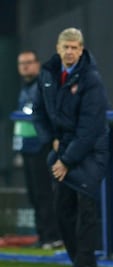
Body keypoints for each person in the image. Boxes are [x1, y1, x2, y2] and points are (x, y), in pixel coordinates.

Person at [33, 28, 110, 267]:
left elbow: (90, 128)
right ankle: (82, 261)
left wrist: (66, 161)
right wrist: (51, 140)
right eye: (66, 47)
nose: (70, 52)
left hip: (90, 151)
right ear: (58, 48)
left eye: (75, 47)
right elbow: (38, 112)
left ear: (81, 49)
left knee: (86, 208)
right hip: (62, 146)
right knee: (62, 210)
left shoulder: (91, 79)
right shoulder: (47, 74)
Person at [13, 50, 62, 250]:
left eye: (29, 62)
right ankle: (43, 236)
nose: (25, 66)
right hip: (27, 147)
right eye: (21, 63)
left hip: (41, 145)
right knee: (35, 194)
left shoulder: (43, 86)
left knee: (44, 193)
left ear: (37, 64)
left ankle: (52, 236)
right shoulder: (25, 89)